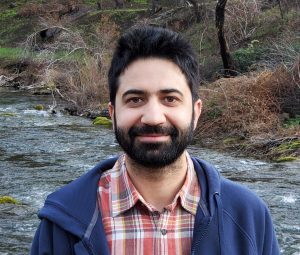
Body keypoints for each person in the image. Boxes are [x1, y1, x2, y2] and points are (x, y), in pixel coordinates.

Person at [31, 26, 280, 255]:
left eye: (170, 99)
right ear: (112, 112)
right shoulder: (62, 222)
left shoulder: (248, 215)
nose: (152, 117)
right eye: (135, 99)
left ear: (196, 112)